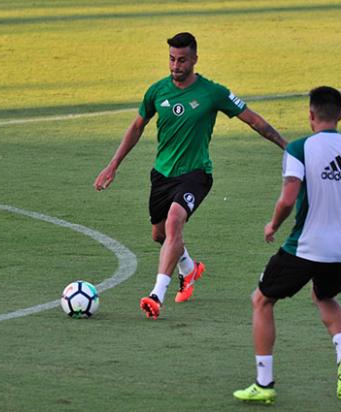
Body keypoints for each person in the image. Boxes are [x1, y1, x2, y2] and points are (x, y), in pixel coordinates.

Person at [93, 32, 287, 320]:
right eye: (171, 59)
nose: (175, 65)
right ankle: (189, 267)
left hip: (196, 175)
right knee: (160, 235)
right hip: (162, 175)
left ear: (195, 59)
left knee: (174, 222)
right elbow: (136, 128)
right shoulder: (157, 91)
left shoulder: (213, 92)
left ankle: (157, 295)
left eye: (182, 60)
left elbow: (254, 120)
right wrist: (113, 165)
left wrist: (287, 147)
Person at [233, 86, 341, 404]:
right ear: (340, 116)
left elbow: (288, 198)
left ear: (310, 115)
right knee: (325, 296)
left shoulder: (299, 149)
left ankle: (263, 383)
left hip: (306, 247)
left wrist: (273, 225)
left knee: (261, 301)